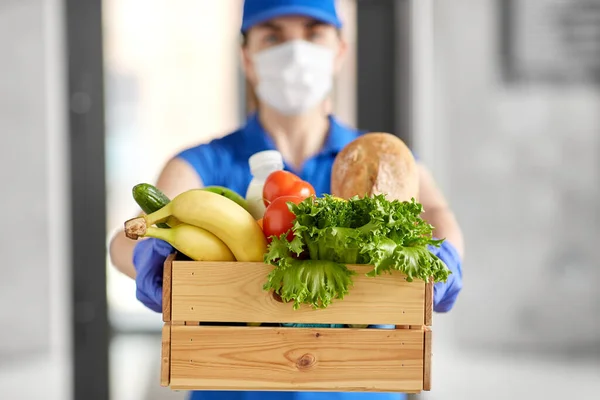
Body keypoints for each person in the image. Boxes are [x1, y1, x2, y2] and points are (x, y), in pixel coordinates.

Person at [109, 1, 464, 399]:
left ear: (340, 50)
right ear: (247, 57)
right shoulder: (206, 162)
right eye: (274, 36)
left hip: (360, 385)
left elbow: (434, 212)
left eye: (313, 33)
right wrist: (151, 257)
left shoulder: (379, 161)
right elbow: (127, 238)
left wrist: (446, 258)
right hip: (237, 387)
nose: (296, 52)